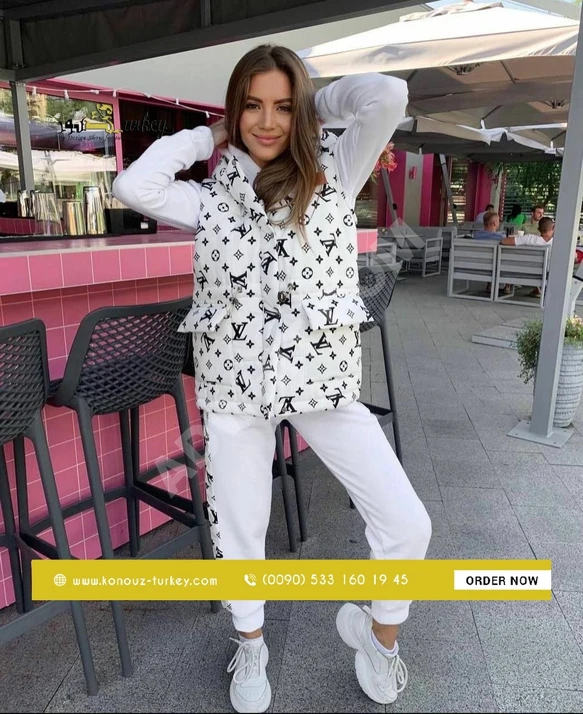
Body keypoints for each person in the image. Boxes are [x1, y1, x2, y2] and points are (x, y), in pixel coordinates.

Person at [112, 44, 431, 714]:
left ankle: (379, 638)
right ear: (234, 111)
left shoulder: (335, 171)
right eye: (252, 106)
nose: (266, 121)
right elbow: (134, 187)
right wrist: (208, 135)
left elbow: (387, 95)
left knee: (407, 523)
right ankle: (250, 642)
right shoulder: (208, 200)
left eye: (282, 107)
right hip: (235, 389)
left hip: (322, 383)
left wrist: (311, 105)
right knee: (240, 529)